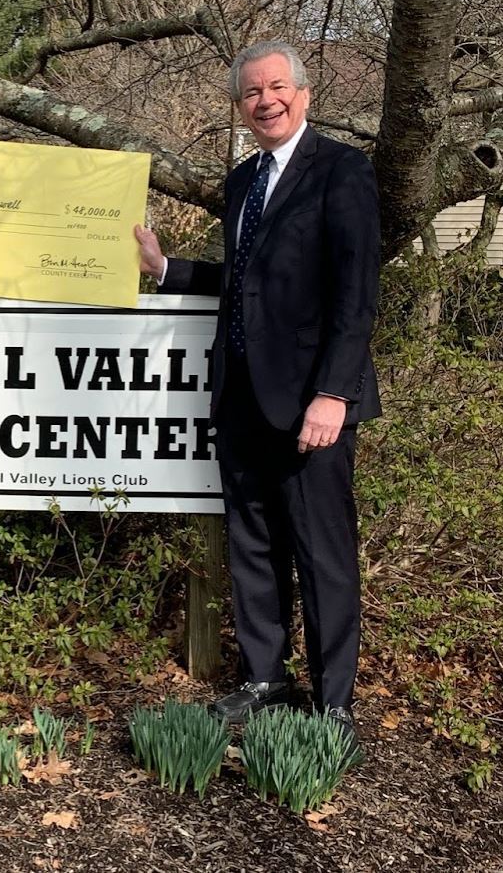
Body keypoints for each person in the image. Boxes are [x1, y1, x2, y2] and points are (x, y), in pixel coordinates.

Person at [136, 41, 380, 756]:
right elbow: (248, 278)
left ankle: (335, 702)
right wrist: (168, 269)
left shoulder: (341, 170)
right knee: (253, 545)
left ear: (304, 95)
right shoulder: (243, 180)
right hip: (240, 394)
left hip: (311, 401)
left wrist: (334, 393)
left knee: (323, 552)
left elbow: (355, 294)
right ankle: (265, 678)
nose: (265, 99)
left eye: (277, 87)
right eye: (251, 92)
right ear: (240, 108)